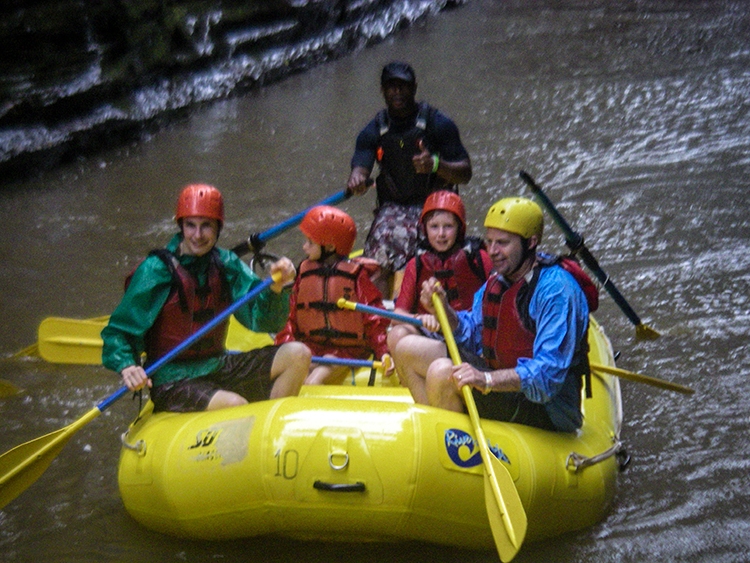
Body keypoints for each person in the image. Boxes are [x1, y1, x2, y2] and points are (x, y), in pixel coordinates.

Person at [391, 196, 598, 433]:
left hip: (548, 407)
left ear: (531, 242)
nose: (493, 251)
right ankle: (434, 434)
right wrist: (443, 310)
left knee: (442, 373)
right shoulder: (498, 279)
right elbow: (471, 333)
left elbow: (547, 377)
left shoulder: (556, 291)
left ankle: (448, 444)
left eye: (503, 243)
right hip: (500, 377)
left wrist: (486, 380)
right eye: (489, 242)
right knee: (407, 349)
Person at [101, 184, 310, 412]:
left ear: (218, 228)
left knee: (298, 355)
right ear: (181, 226)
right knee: (234, 404)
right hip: (172, 378)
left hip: (218, 364)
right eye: (190, 225)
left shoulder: (226, 263)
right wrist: (127, 365)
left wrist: (276, 290)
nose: (198, 235)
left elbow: (263, 322)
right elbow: (118, 332)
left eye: (206, 226)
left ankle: (271, 432)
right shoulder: (156, 270)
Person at [347, 61, 472, 297]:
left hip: (436, 204)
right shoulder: (374, 129)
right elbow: (360, 166)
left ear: (414, 88)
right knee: (380, 254)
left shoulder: (439, 124)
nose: (397, 92)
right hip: (394, 208)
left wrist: (436, 165)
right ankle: (380, 320)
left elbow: (465, 172)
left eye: (402, 87)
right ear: (383, 91)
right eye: (391, 87)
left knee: (437, 247)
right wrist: (357, 179)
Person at [274, 205, 394, 385]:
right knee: (290, 375)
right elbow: (292, 317)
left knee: (312, 382)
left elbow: (374, 318)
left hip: (346, 352)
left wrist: (383, 350)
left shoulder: (355, 276)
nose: (304, 247)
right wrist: (284, 346)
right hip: (312, 347)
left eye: (310, 242)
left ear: (329, 246)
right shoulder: (305, 273)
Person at [387, 190, 492, 352]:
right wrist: (420, 318)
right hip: (432, 335)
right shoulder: (416, 264)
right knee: (397, 333)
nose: (441, 234)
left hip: (470, 332)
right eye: (434, 227)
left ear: (459, 228)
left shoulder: (479, 258)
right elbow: (398, 314)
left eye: (448, 226)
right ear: (425, 229)